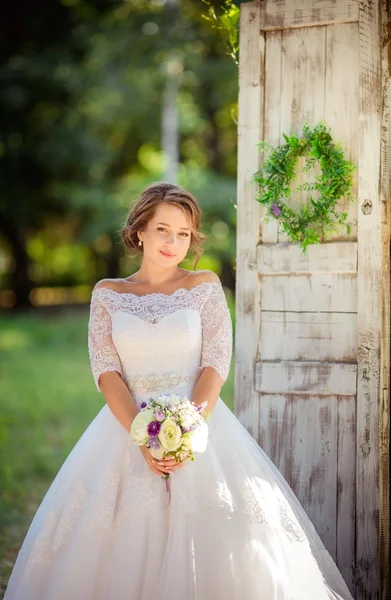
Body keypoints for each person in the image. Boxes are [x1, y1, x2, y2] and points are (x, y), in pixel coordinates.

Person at [4, 182, 353, 600]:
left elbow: (215, 362)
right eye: (163, 230)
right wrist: (142, 435)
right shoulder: (108, 294)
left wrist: (186, 434)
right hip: (125, 427)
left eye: (184, 234)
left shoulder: (204, 285)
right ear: (139, 232)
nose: (174, 243)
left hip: (201, 428)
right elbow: (107, 370)